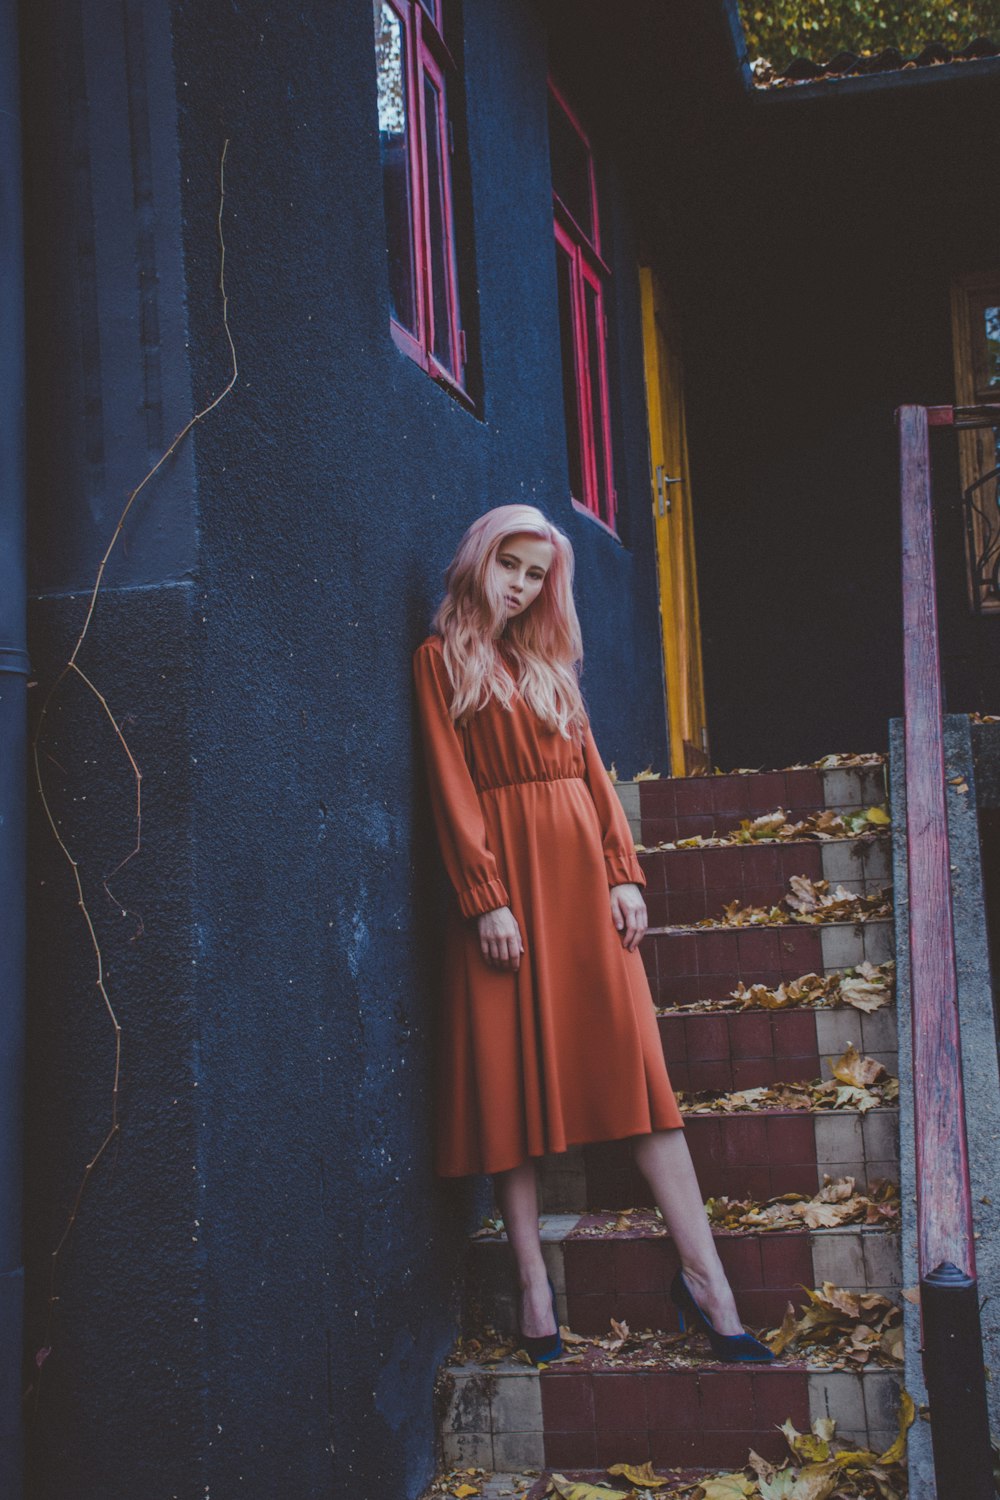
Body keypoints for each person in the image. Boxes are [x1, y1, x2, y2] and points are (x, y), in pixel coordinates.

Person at [412, 504, 772, 1364]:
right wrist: (485, 897)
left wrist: (623, 872)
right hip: (507, 891)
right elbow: (450, 787)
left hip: (579, 884)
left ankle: (708, 1280)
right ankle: (536, 1292)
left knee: (642, 1077)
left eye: (537, 575)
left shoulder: (547, 663)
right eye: (512, 565)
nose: (521, 586)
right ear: (480, 558)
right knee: (511, 1083)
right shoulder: (439, 661)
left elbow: (592, 776)